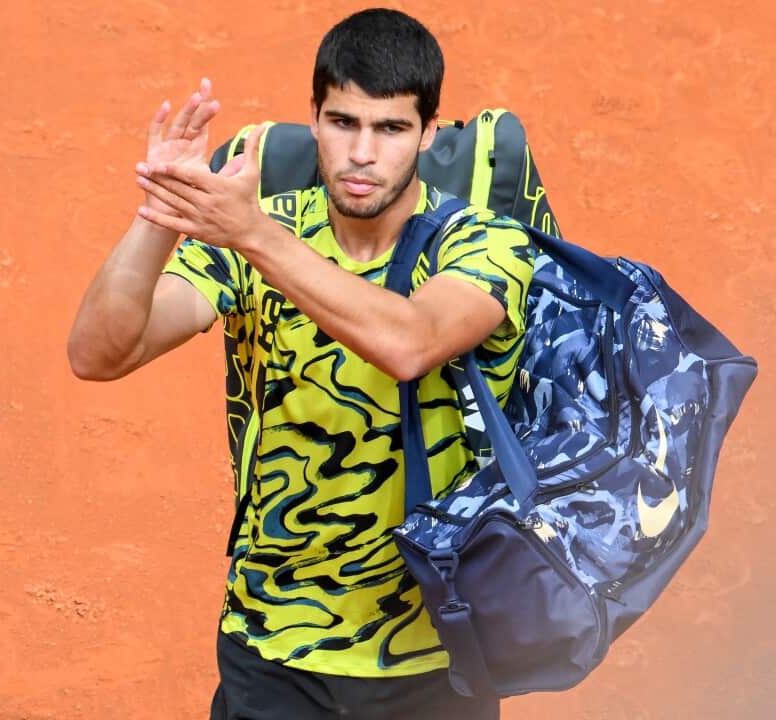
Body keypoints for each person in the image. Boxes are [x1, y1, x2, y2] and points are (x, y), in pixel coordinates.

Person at [67, 9, 536, 719]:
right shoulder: (257, 230)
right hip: (270, 647)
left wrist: (251, 233)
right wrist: (161, 212)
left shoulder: (483, 243)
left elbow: (410, 342)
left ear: (430, 134)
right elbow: (100, 352)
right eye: (343, 122)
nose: (362, 153)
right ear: (313, 118)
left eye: (391, 129)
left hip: (434, 657)